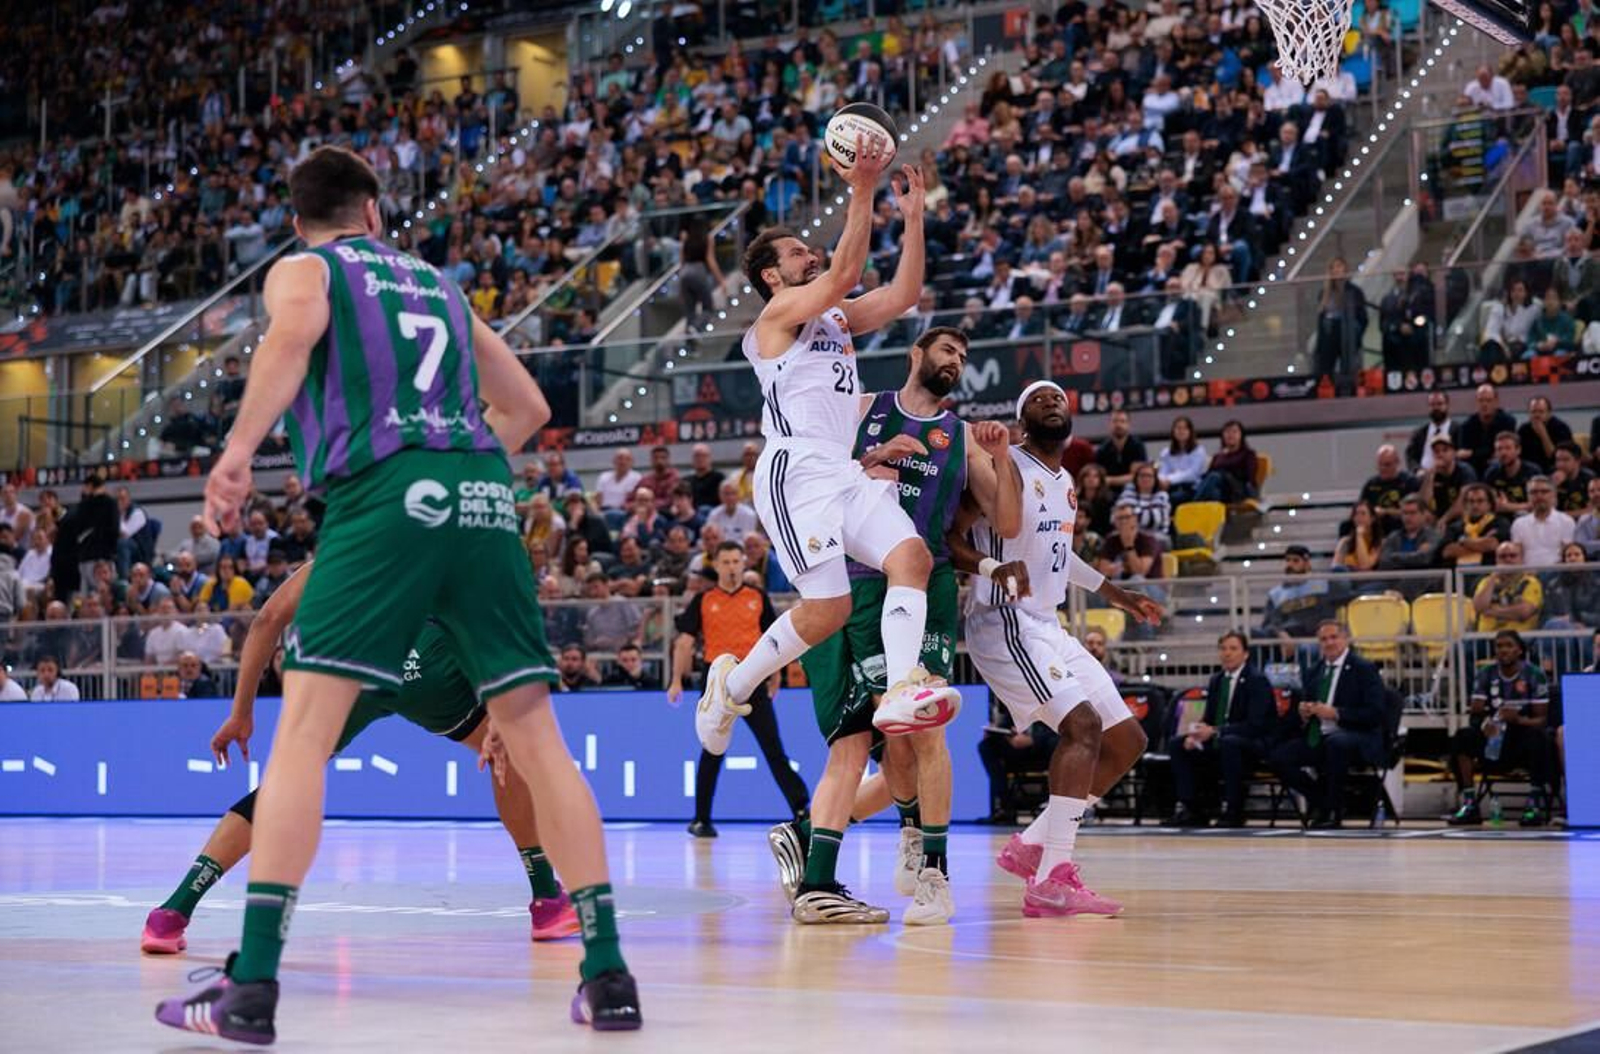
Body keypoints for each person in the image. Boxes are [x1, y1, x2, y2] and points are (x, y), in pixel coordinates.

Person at [156, 147, 639, 1041]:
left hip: (385, 494)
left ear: (299, 221)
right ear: (374, 210)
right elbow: (528, 408)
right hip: (484, 489)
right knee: (536, 739)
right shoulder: (439, 284)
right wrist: (457, 467)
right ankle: (608, 976)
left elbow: (293, 340)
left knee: (303, 732)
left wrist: (233, 455)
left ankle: (252, 985)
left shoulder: (308, 269)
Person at [697, 151, 962, 925]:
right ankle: (735, 686)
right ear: (774, 279)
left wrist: (912, 219)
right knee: (829, 608)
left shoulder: (836, 318)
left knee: (909, 556)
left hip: (842, 473)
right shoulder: (774, 320)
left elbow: (905, 294)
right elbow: (845, 270)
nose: (808, 256)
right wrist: (864, 188)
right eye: (795, 255)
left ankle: (908, 686)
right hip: (793, 476)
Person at [141, 562, 579, 959]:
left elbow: (267, 620)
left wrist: (241, 713)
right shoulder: (436, 537)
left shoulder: (342, 544)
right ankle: (546, 900)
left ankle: (173, 913)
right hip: (421, 661)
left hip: (341, 667)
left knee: (280, 791)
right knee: (513, 759)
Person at [773, 327, 1019, 927]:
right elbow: (815, 474)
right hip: (858, 582)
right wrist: (874, 458)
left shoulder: (962, 436)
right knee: (885, 728)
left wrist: (1004, 457)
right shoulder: (862, 410)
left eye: (963, 356)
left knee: (923, 724)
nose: (955, 362)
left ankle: (934, 872)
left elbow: (1008, 522)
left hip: (926, 582)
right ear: (917, 355)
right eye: (947, 351)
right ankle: (874, 829)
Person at [947, 381, 1165, 918]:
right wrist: (990, 568)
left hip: (1048, 622)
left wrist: (1115, 592)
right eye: (1039, 401)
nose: (1052, 404)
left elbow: (1059, 557)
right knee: (1083, 727)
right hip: (1003, 620)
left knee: (1127, 740)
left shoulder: (1065, 480)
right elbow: (949, 538)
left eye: (1059, 400)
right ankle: (1051, 876)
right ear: (1022, 421)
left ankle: (1033, 844)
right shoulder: (1001, 466)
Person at [671, 540, 810, 838]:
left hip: (754, 676)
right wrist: (676, 679)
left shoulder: (757, 597)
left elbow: (775, 638)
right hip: (717, 682)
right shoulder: (704, 599)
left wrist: (777, 675)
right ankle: (701, 818)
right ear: (717, 565)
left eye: (736, 561)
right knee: (712, 749)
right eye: (726, 562)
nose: (732, 567)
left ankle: (802, 808)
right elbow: (684, 640)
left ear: (743, 563)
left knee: (773, 747)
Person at [1266, 621, 1386, 829]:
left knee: (1336, 743)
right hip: (1319, 735)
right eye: (1324, 639)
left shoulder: (1364, 668)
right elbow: (1302, 706)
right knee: (1279, 756)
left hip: (1357, 735)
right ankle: (1322, 801)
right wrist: (1303, 713)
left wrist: (1337, 713)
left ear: (1345, 639)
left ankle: (1332, 810)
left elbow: (1375, 714)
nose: (1329, 643)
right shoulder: (1314, 671)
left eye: (1334, 637)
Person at [1165, 631, 1282, 827]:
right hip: (1221, 738)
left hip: (1252, 743)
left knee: (1230, 743)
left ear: (1245, 654)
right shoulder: (1217, 680)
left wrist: (1216, 731)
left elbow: (1256, 725)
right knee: (1178, 744)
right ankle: (1192, 808)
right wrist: (1196, 734)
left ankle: (1233, 810)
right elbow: (1209, 718)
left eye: (1233, 649)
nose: (1227, 653)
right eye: (1223, 649)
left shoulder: (1257, 680)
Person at [1446, 630, 1554, 827]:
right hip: (1494, 736)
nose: (1503, 650)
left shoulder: (1534, 675)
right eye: (1499, 646)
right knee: (1463, 737)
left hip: (1521, 737)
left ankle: (1534, 804)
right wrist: (1485, 723)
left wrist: (1518, 719)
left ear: (1519, 650)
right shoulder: (1485, 674)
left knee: (1540, 737)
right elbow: (1476, 714)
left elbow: (1542, 719)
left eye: (1508, 646)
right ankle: (1470, 803)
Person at [1472, 541, 1544, 632]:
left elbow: (1523, 612)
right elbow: (1479, 607)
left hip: (1518, 638)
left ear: (1521, 559)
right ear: (1496, 560)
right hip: (1486, 638)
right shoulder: (1486, 581)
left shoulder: (1530, 582)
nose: (1508, 560)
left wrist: (1491, 611)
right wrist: (1493, 577)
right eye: (1502, 556)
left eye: (1512, 556)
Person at [1510, 476, 1577, 566]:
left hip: (1558, 574)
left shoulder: (1566, 521)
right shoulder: (1518, 524)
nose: (1539, 496)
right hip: (1527, 574)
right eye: (1534, 492)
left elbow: (1567, 555)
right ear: (1528, 497)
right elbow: (1517, 556)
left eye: (1544, 492)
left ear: (1554, 495)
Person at [1457, 384, 1518, 477]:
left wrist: (1473, 453)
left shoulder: (1508, 422)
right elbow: (1463, 454)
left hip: (1500, 466)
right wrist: (1485, 453)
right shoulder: (1467, 425)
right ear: (1476, 402)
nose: (1484, 404)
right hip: (1474, 469)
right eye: (1481, 400)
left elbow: (1504, 450)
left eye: (1488, 400)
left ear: (1496, 401)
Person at [1194, 419, 1258, 503]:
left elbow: (1249, 477)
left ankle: (1193, 503)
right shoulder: (1218, 456)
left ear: (1241, 435)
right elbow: (1208, 476)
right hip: (1220, 491)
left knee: (1215, 476)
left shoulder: (1248, 454)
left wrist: (1225, 468)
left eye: (1234, 432)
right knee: (1214, 493)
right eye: (1227, 432)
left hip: (1237, 491)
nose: (1230, 435)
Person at [1358, 444, 1416, 534]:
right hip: (1375, 524)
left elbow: (1414, 511)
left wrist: (1386, 512)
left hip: (1400, 524)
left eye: (1387, 465)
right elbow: (1361, 507)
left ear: (1397, 463)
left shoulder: (1409, 482)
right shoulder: (1371, 484)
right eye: (1380, 465)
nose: (1383, 468)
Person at [1419, 436, 1476, 524]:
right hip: (1439, 517)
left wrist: (1444, 519)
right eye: (1436, 451)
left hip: (1462, 518)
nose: (1440, 454)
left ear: (1453, 453)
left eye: (1445, 450)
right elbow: (1423, 503)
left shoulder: (1465, 471)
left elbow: (1463, 502)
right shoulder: (1432, 474)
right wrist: (1430, 476)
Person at [1157, 415, 1208, 507]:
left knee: (1173, 498)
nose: (1181, 431)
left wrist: (1169, 480)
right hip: (1169, 487)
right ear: (1173, 431)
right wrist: (1161, 480)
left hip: (1190, 488)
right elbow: (1163, 471)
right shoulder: (1166, 452)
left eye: (1185, 428)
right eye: (1178, 428)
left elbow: (1192, 474)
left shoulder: (1198, 451)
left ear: (1190, 432)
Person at [1484, 432, 1538, 516]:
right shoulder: (1492, 473)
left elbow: (1538, 503)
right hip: (1500, 518)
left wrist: (1509, 507)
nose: (1503, 453)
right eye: (1499, 449)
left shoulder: (1532, 472)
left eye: (1508, 448)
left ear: (1518, 450)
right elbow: (1490, 504)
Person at [1094, 409, 1147, 489]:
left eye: (1122, 421)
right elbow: (1101, 477)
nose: (1118, 425)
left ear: (1128, 424)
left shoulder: (1137, 446)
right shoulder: (1102, 449)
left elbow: (1136, 476)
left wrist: (1111, 480)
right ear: (1109, 424)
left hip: (1133, 489)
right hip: (1108, 491)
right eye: (1115, 421)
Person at [1406, 391, 1458, 472]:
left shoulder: (1459, 430)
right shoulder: (1419, 433)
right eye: (1432, 405)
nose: (1436, 408)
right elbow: (1411, 457)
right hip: (1423, 477)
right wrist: (1417, 470)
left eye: (1440, 404)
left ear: (1447, 405)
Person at [704, 480, 758, 544]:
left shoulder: (749, 515)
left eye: (733, 493)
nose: (730, 497)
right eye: (726, 494)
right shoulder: (714, 514)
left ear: (739, 495)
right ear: (720, 495)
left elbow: (748, 540)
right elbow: (709, 536)